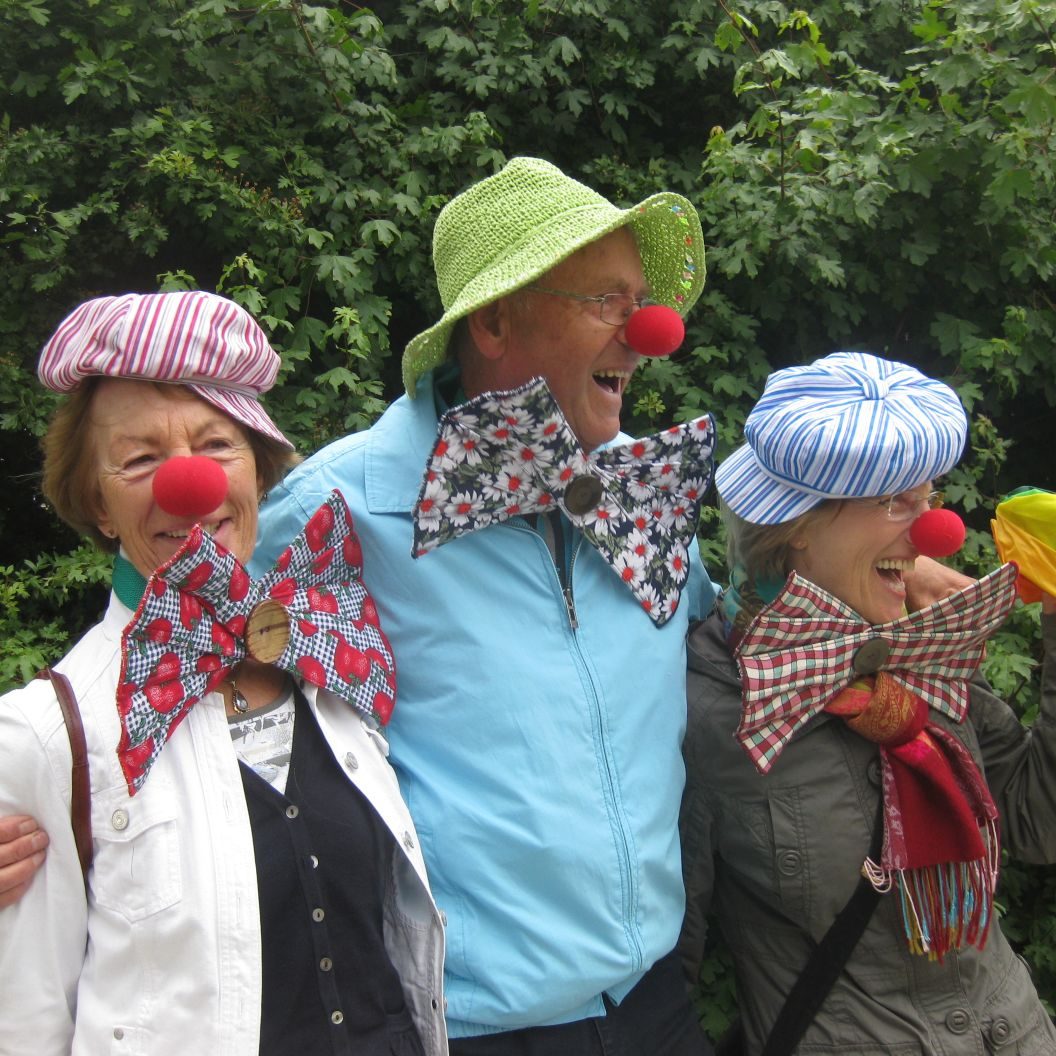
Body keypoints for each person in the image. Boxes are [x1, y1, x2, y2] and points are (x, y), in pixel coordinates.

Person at [249, 156, 719, 1053]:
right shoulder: (339, 510)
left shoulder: (641, 499)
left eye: (642, 300)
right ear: (497, 319)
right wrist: (46, 795)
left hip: (656, 1004)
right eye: (606, 302)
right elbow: (174, 679)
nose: (650, 334)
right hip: (476, 1031)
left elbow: (730, 640)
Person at [0, 291, 447, 1055]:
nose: (191, 485)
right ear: (98, 504)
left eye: (217, 447)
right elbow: (25, 1024)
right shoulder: (47, 735)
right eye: (140, 459)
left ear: (257, 471)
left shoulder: (329, 655)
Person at [678, 350, 1056, 1053]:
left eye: (929, 497)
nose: (938, 531)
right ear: (796, 524)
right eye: (893, 502)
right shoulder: (709, 709)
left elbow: (1040, 821)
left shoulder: (925, 650)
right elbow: (672, 967)